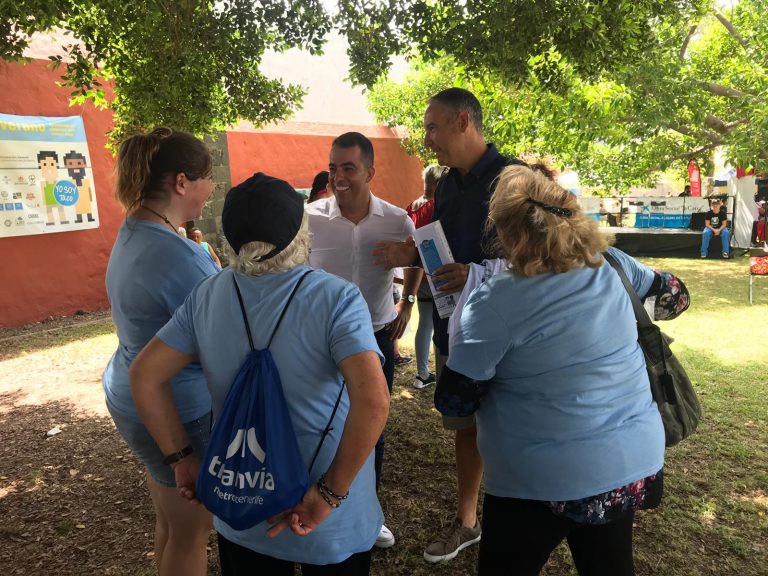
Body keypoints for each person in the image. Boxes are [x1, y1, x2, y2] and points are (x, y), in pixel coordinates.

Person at [130, 173, 389, 576]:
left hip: (242, 503)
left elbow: (144, 375)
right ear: (300, 231)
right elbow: (373, 400)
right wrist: (328, 495)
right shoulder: (336, 298)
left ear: (232, 239)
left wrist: (181, 459)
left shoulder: (208, 294)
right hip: (328, 515)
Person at [436, 165, 688, 575]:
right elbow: (676, 298)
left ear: (507, 232)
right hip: (628, 463)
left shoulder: (494, 301)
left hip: (539, 478)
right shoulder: (613, 265)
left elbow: (454, 399)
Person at [374, 87, 526, 563]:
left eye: (433, 127)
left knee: (512, 424)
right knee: (466, 424)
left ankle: (523, 516)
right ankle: (468, 522)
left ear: (464, 122)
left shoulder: (515, 179)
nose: (428, 139)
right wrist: (412, 255)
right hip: (454, 328)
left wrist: (479, 273)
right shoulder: (448, 185)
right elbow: (441, 246)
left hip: (511, 336)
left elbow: (546, 263)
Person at [103, 128, 219, 576]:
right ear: (182, 182)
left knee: (171, 520)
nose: (211, 190)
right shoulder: (176, 256)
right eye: (208, 179)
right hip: (176, 409)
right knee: (193, 532)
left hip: (134, 398)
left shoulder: (138, 226)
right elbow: (219, 338)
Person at [306, 131, 421, 549]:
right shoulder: (311, 217)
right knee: (321, 421)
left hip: (374, 335)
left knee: (372, 425)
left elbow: (417, 254)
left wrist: (407, 299)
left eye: (348, 168)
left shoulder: (395, 219)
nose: (339, 176)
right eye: (334, 167)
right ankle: (319, 502)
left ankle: (368, 516)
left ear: (370, 171)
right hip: (319, 340)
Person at [407, 164, 444, 389]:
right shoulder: (437, 207)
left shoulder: (413, 206)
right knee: (441, 326)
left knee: (425, 323)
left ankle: (422, 374)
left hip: (417, 275)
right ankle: (440, 376)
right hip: (436, 273)